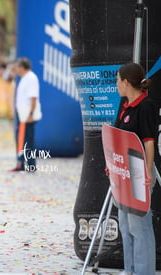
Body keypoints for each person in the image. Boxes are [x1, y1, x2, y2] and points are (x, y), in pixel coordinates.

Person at [112, 63, 157, 275]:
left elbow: (149, 141)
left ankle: (143, 271)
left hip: (139, 171)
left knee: (140, 227)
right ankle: (128, 270)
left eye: (118, 80)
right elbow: (117, 137)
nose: (116, 85)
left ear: (127, 82)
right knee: (125, 224)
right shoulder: (124, 104)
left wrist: (148, 170)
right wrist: (113, 164)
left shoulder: (146, 105)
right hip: (123, 172)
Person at [10, 57, 42, 172]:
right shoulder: (25, 78)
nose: (16, 69)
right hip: (22, 115)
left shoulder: (30, 78)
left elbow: (33, 97)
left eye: (17, 67)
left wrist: (31, 114)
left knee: (28, 140)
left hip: (27, 115)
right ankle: (21, 163)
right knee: (22, 139)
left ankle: (31, 165)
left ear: (22, 67)